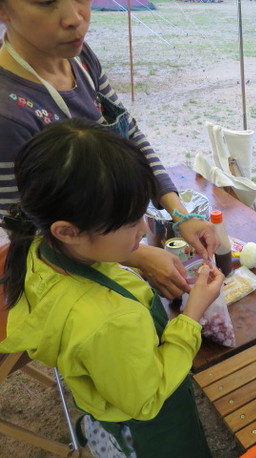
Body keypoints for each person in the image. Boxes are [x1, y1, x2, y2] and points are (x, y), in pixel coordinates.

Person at [0, 119, 225, 457]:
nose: (141, 230)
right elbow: (147, 398)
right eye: (130, 222)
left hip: (109, 402)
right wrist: (193, 313)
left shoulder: (38, 246)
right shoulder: (110, 322)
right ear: (67, 231)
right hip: (145, 425)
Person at [0, 0, 218, 299]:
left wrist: (181, 216)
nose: (75, 18)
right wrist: (137, 255)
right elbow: (30, 230)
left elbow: (127, 134)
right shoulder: (7, 115)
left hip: (111, 245)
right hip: (67, 284)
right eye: (46, 1)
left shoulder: (79, 58)